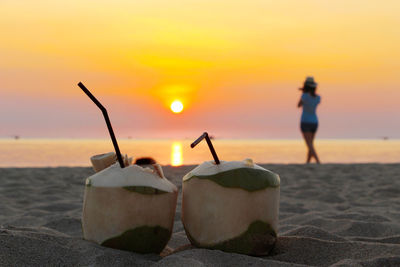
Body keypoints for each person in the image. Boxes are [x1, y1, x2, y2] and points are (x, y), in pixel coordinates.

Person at [297, 76, 321, 164]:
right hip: (314, 122)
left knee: (310, 145)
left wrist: (303, 92)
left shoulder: (304, 96)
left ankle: (318, 161)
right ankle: (307, 162)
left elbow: (299, 105)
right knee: (311, 143)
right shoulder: (318, 97)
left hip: (305, 121)